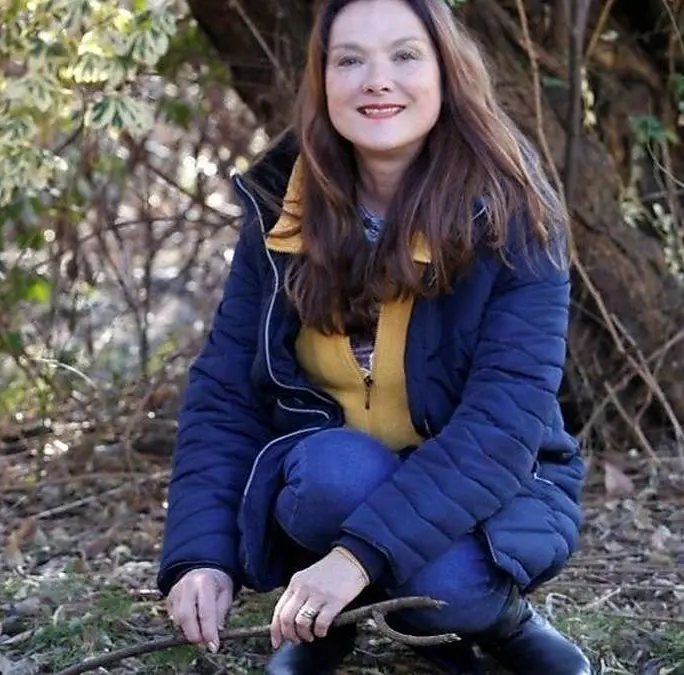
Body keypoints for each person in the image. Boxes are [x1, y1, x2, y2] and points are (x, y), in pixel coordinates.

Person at [156, 0, 592, 673]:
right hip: (333, 477)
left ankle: (502, 622)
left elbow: (501, 429)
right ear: (323, 80)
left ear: (446, 71)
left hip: (485, 494)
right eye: (350, 60)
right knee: (329, 475)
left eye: (404, 55)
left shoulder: (514, 212)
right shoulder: (281, 204)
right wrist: (200, 554)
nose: (376, 80)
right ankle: (321, 625)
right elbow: (225, 391)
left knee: (450, 588)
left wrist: (355, 557)